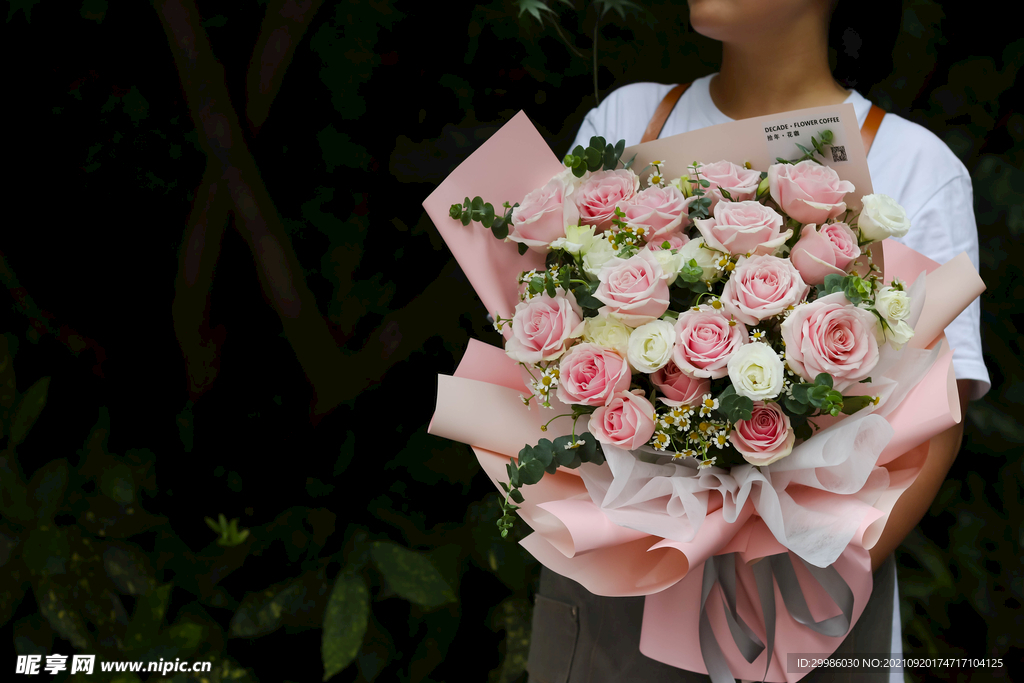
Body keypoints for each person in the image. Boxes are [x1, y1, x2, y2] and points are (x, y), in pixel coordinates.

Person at [525, 1, 991, 681]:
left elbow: (930, 431)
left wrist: (783, 600)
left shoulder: (913, 164)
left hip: (806, 611)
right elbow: (542, 351)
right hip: (619, 597)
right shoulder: (626, 121)